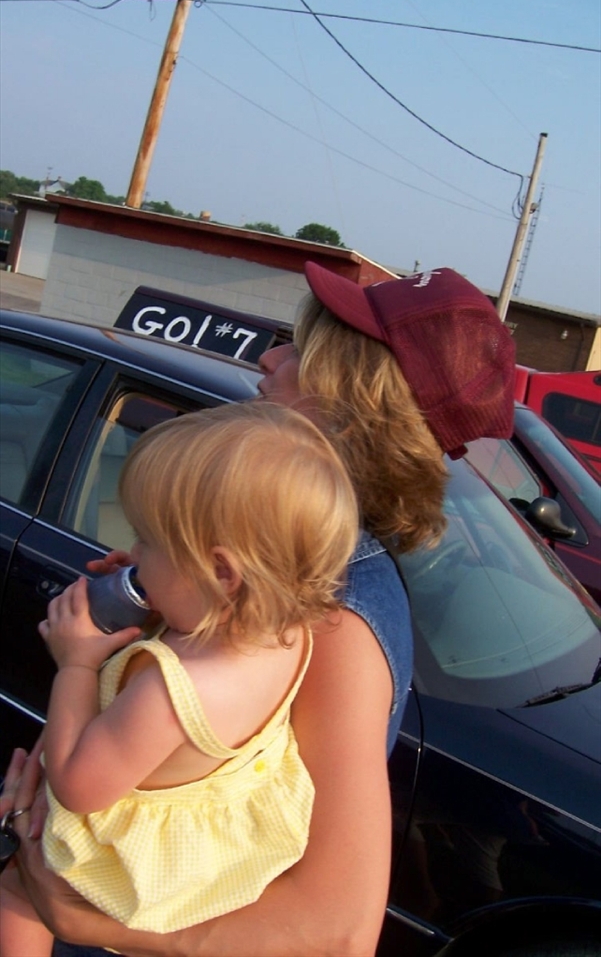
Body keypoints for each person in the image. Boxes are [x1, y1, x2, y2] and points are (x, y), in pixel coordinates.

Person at [1, 264, 516, 957]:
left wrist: (76, 915)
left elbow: (337, 929)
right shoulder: (275, 561)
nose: (269, 357)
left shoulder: (333, 612)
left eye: (300, 350)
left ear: (353, 401)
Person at [0, 400, 359, 956]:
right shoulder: (285, 633)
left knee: (15, 890)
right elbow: (208, 616)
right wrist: (160, 587)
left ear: (219, 571)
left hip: (119, 868)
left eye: (148, 541)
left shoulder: (170, 691)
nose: (135, 552)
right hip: (210, 860)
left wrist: (77, 662)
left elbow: (76, 785)